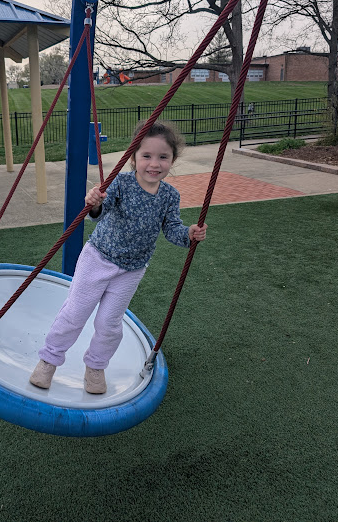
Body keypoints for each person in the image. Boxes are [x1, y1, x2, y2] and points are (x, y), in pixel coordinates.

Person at [30, 120, 207, 394]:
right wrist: (95, 202)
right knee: (75, 313)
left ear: (173, 160)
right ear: (133, 157)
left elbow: (172, 229)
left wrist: (189, 233)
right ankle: (49, 360)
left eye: (163, 157)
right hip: (97, 259)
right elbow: (99, 211)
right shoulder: (121, 183)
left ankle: (96, 366)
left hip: (131, 270)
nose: (154, 164)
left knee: (109, 323)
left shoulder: (170, 196)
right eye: (146, 156)